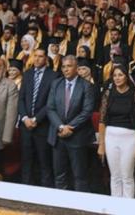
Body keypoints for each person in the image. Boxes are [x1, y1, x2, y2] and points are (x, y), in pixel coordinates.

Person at [47, 55, 96, 191]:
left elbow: (87, 111)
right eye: (63, 66)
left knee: (79, 177)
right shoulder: (56, 84)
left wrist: (70, 127)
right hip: (58, 136)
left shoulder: (86, 86)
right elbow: (50, 108)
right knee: (59, 175)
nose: (65, 69)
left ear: (77, 68)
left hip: (77, 137)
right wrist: (61, 127)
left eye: (69, 66)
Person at [97, 64, 135, 198]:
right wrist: (101, 144)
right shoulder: (108, 94)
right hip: (110, 137)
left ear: (126, 77)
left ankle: (128, 208)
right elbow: (102, 121)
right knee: (115, 176)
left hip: (130, 138)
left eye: (120, 75)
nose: (117, 78)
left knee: (127, 176)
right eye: (115, 75)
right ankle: (115, 207)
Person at [20, 47, 60, 187]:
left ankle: (45, 193)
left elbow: (51, 102)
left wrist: (36, 119)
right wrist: (25, 118)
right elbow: (21, 99)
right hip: (26, 126)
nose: (37, 59)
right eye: (35, 56)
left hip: (42, 126)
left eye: (40, 56)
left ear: (46, 59)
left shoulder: (53, 76)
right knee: (26, 162)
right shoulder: (27, 74)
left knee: (44, 163)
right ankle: (25, 190)